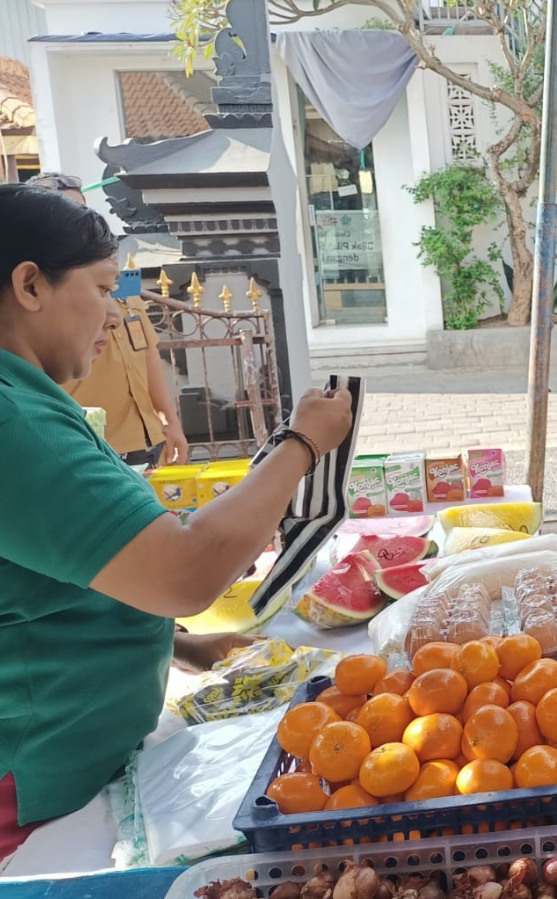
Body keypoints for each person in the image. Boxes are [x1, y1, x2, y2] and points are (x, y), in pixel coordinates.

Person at [0, 185, 354, 858]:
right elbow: (184, 569)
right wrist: (300, 444)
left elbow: (65, 570)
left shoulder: (26, 402)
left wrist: (174, 644)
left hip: (86, 764)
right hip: (36, 799)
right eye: (102, 288)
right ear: (29, 284)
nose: (113, 314)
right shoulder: (11, 419)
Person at [30, 173, 190, 467]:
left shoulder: (119, 279)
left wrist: (170, 421)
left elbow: (147, 353)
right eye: (66, 218)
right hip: (86, 446)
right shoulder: (37, 297)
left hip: (145, 440)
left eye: (83, 214)